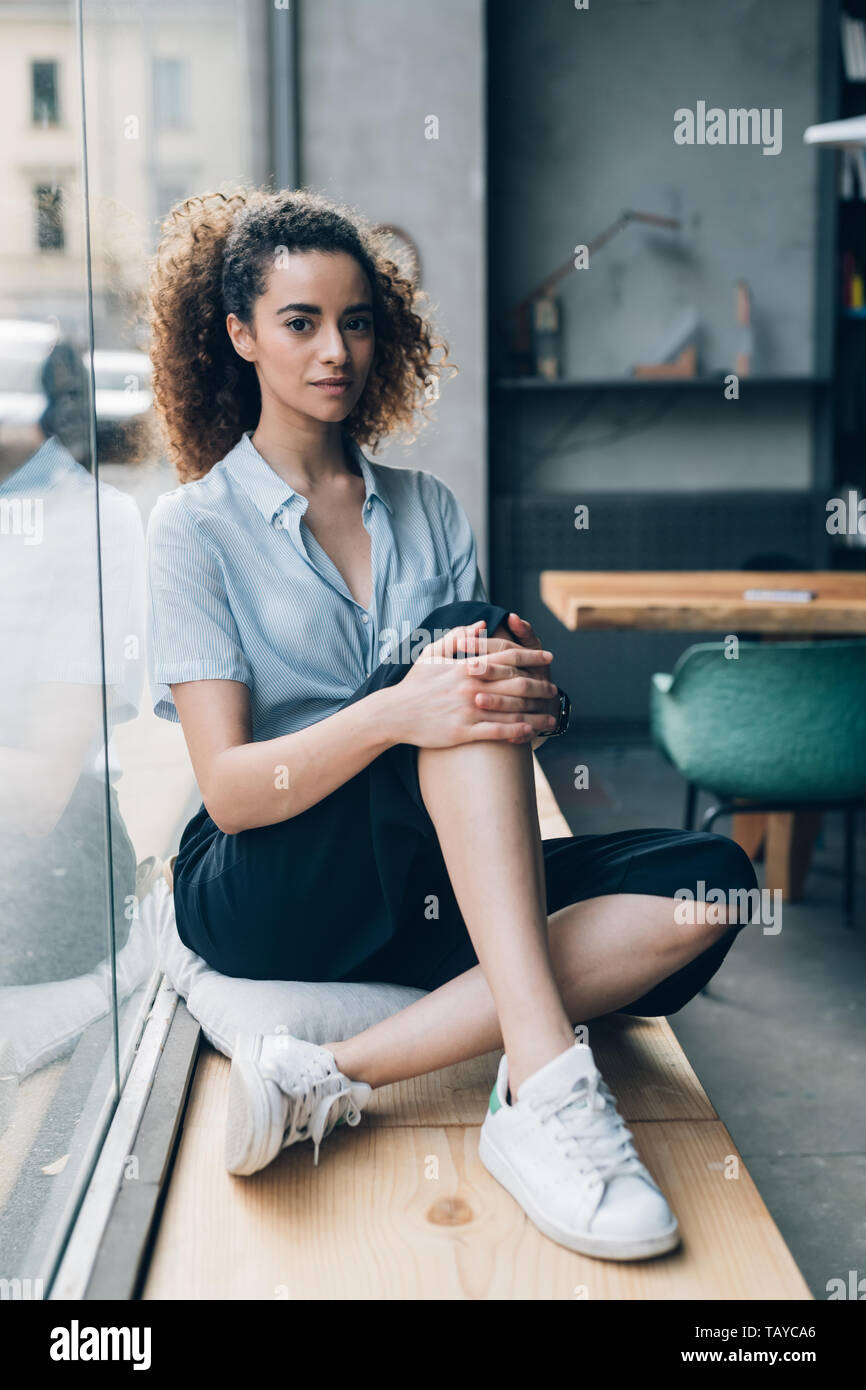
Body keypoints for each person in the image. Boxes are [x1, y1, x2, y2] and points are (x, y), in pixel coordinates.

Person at [144, 185, 758, 1262]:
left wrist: (539, 705)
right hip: (267, 876)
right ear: (240, 335)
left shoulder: (428, 506)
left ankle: (333, 1075)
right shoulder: (192, 529)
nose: (335, 349)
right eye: (300, 322)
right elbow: (235, 789)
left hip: (428, 873)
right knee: (461, 639)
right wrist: (398, 710)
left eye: (357, 320)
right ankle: (547, 1089)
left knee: (712, 878)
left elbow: (480, 736)